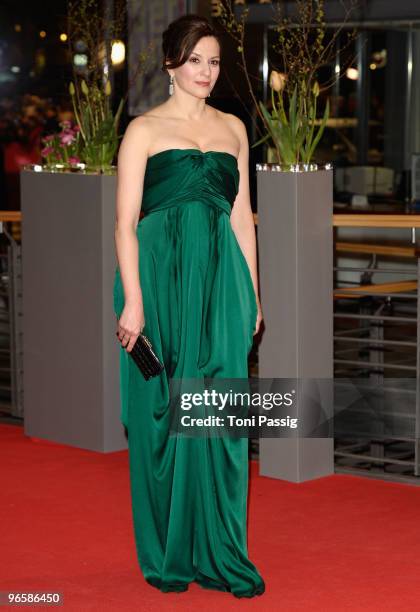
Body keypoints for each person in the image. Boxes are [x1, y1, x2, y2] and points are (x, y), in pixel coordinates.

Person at [113, 13, 265, 598]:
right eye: (196, 60)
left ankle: (223, 553)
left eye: (214, 61)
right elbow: (125, 225)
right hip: (157, 282)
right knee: (160, 417)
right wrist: (133, 303)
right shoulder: (143, 131)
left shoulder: (233, 129)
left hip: (221, 282)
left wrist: (253, 293)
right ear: (172, 65)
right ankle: (170, 553)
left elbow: (242, 220)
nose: (206, 71)